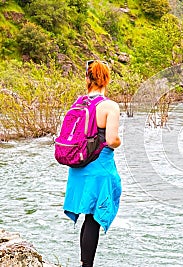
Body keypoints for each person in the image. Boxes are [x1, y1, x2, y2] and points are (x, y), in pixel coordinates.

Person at [63, 60, 122, 267]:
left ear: (87, 78)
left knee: (88, 217)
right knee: (94, 219)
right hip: (99, 165)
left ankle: (83, 263)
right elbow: (113, 139)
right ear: (107, 79)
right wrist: (119, 141)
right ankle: (86, 265)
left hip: (78, 166)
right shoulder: (110, 106)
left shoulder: (78, 103)